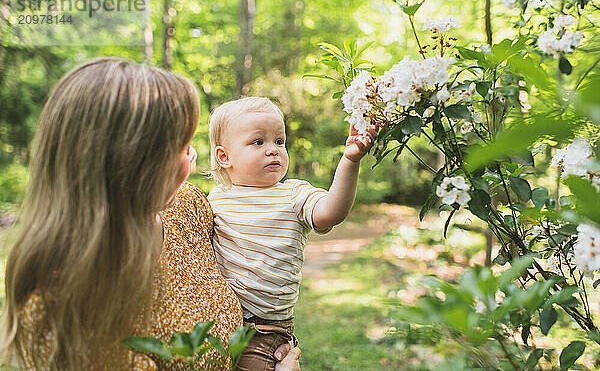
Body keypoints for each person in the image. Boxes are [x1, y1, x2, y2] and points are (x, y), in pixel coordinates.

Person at [0, 58, 300, 370]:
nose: (193, 156)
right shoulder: (59, 306)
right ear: (130, 161)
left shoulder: (188, 208)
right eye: (182, 146)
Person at [207, 97, 377, 370]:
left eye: (279, 141)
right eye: (258, 142)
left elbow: (330, 213)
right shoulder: (216, 200)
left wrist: (350, 161)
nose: (273, 150)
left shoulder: (294, 194)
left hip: (264, 331)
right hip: (217, 321)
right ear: (224, 157)